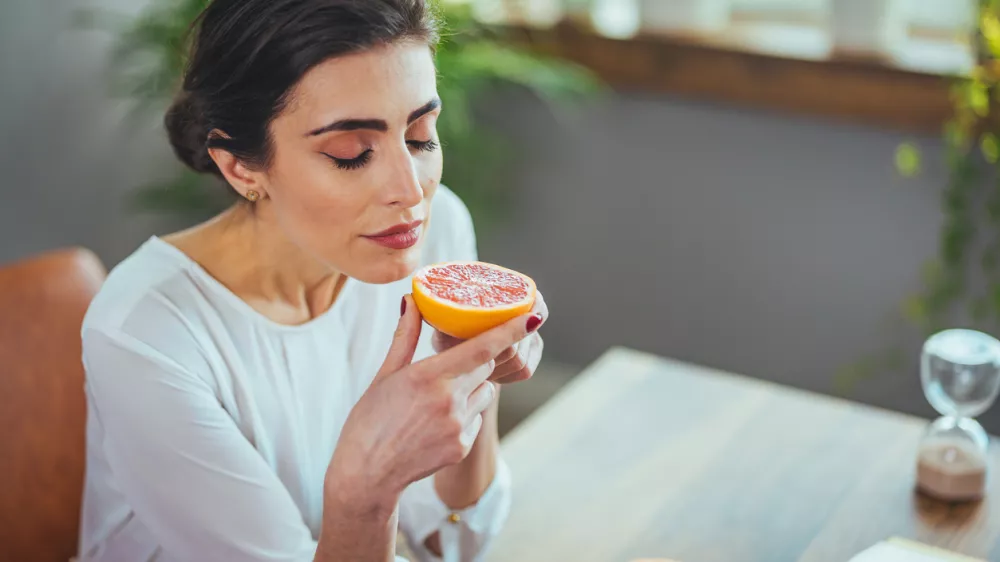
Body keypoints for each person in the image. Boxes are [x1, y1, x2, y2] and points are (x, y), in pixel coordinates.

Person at [75, 1, 548, 560]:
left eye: (420, 136)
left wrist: (477, 377)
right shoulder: (147, 335)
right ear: (240, 167)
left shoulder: (435, 228)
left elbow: (452, 540)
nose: (410, 188)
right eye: (351, 154)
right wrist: (363, 491)